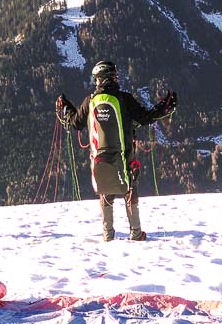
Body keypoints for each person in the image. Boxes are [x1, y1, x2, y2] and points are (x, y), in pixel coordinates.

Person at [56, 61, 177, 241]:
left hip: (99, 158)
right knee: (130, 190)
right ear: (111, 77)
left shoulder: (90, 101)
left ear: (98, 80)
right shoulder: (124, 99)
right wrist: (164, 107)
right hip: (125, 156)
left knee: (105, 192)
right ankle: (136, 233)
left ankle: (108, 235)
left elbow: (75, 123)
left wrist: (66, 108)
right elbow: (145, 117)